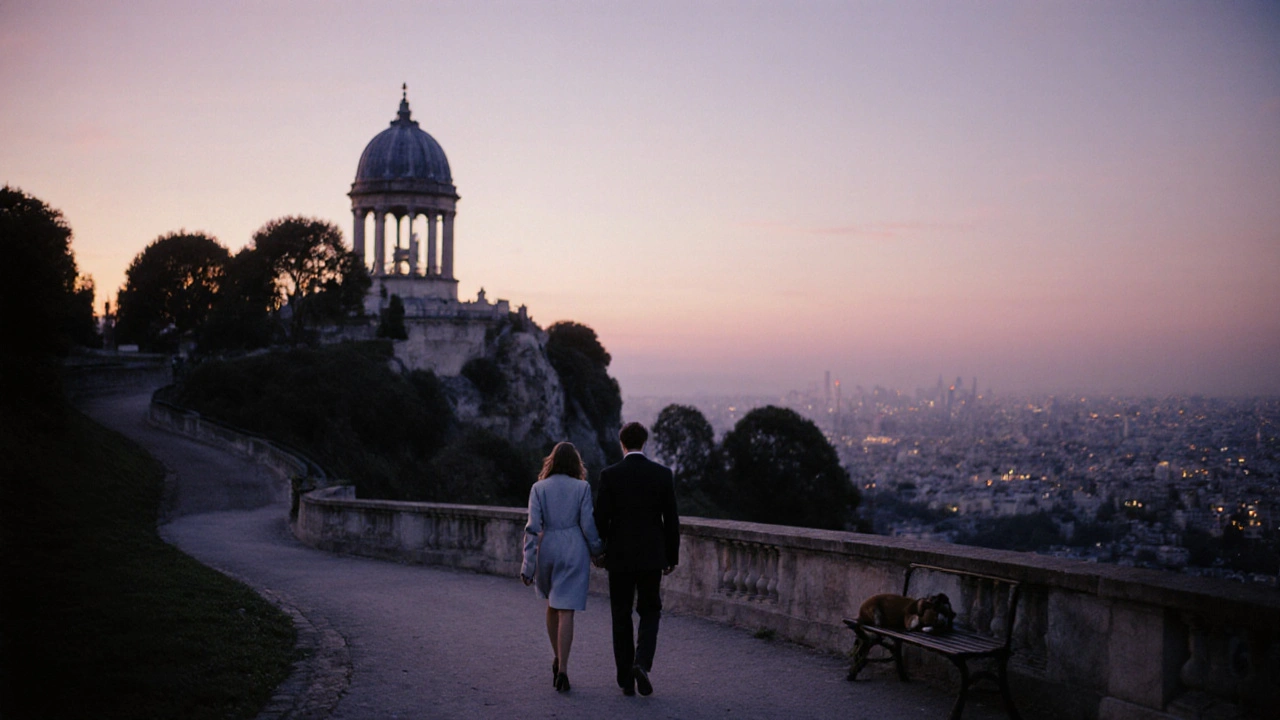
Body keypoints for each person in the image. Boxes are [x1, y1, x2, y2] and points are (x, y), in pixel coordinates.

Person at [594, 422, 680, 697]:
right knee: (650, 610)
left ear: (622, 444)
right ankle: (642, 663)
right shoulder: (663, 474)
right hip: (652, 556)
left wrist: (600, 551)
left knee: (620, 615)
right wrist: (671, 555)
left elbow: (601, 519)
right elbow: (672, 521)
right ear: (644, 442)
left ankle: (624, 679)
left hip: (619, 557)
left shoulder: (609, 476)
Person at [521, 442, 604, 693]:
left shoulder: (539, 488)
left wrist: (528, 565)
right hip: (574, 547)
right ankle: (564, 670)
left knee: (551, 604)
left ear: (552, 461)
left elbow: (532, 528)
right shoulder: (582, 487)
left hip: (549, 548)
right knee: (567, 610)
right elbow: (588, 525)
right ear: (576, 463)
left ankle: (556, 656)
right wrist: (597, 550)